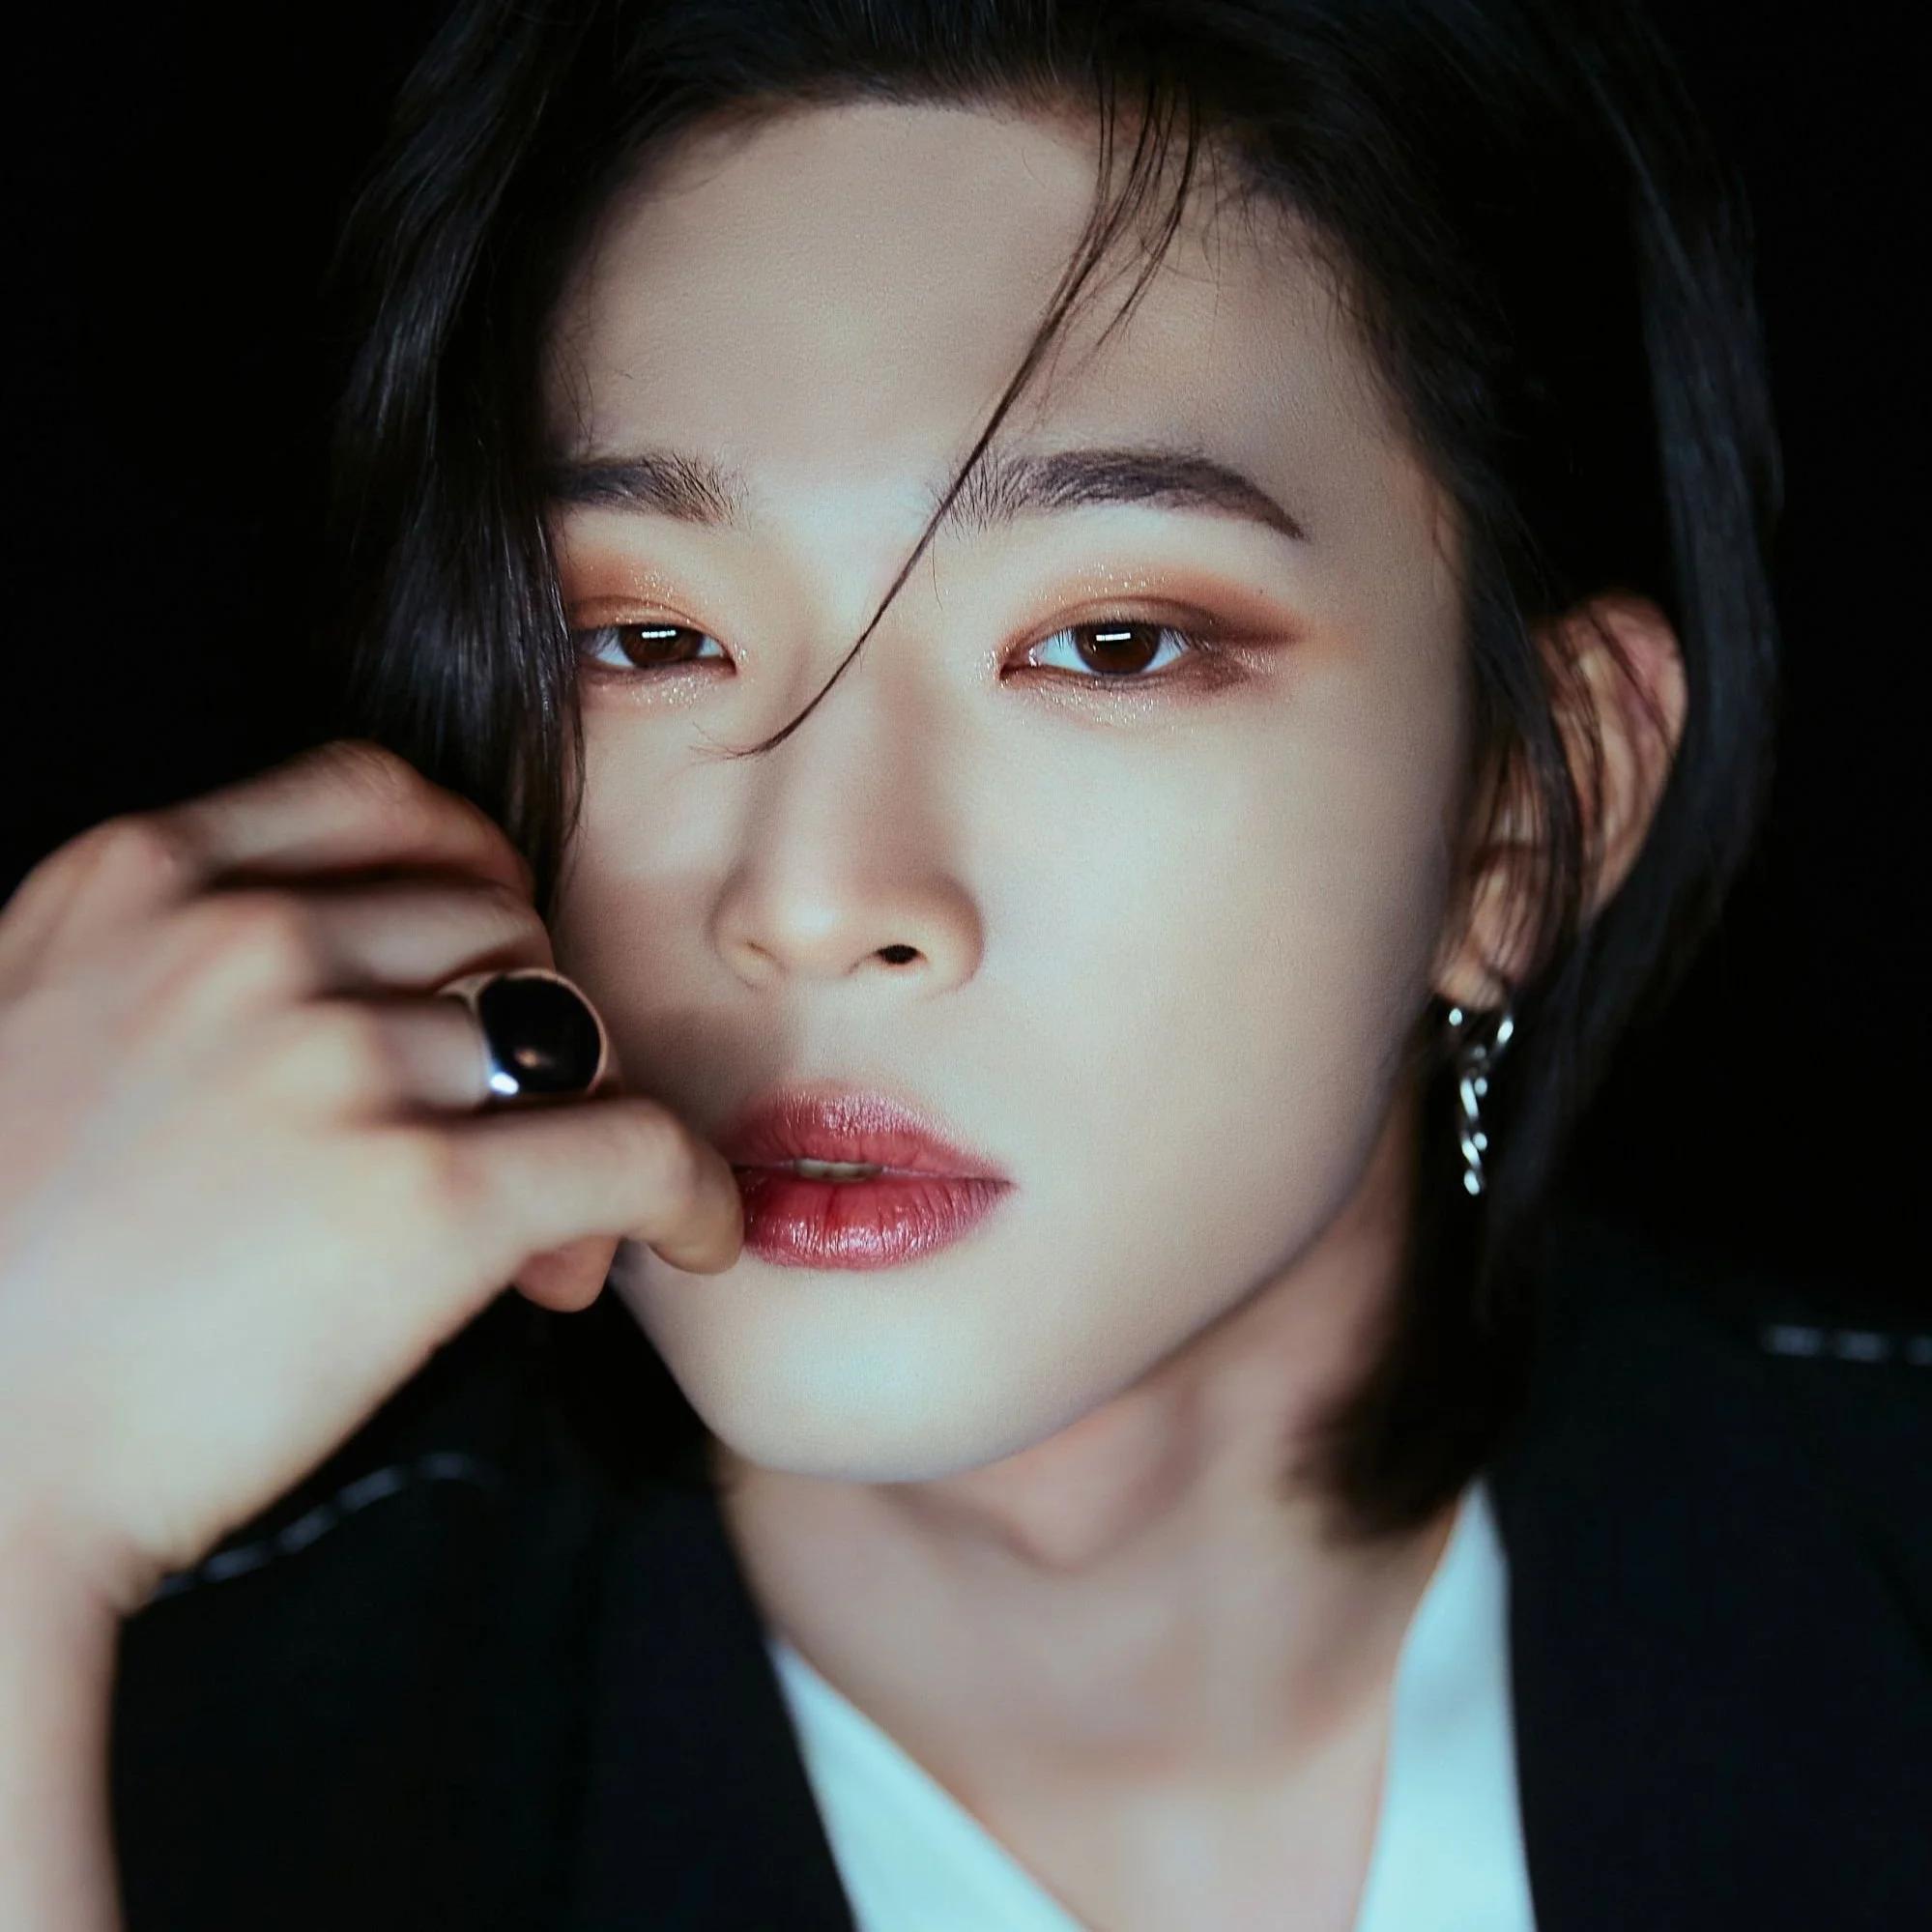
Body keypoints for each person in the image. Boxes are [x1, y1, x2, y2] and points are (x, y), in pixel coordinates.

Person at [2, 0, 1927, 1926]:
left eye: (1110, 643)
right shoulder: (175, 1746)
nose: (814, 896)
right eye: (645, 641)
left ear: (1523, 806)